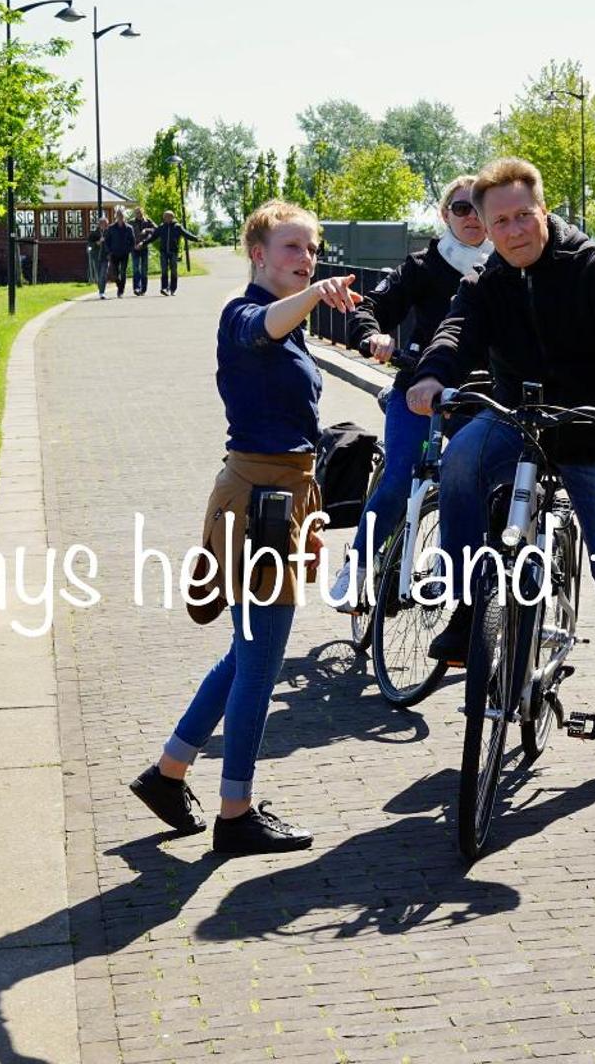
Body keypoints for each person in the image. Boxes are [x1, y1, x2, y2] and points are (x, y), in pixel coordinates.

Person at [405, 157, 595, 786]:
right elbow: (456, 332)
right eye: (498, 220)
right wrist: (430, 374)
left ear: (543, 209)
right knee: (460, 460)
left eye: (522, 215)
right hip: (520, 420)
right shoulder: (486, 281)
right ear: (484, 224)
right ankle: (469, 608)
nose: (512, 229)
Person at [129, 201, 361, 854]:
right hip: (259, 501)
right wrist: (314, 293)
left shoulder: (295, 328)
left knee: (247, 652)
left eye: (311, 249)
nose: (305, 258)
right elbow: (262, 326)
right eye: (292, 248)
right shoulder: (243, 315)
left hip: (279, 497)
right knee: (259, 661)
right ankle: (236, 813)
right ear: (257, 254)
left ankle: (170, 772)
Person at [328, 176, 493, 612]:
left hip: (481, 396)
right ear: (444, 215)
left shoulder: (506, 266)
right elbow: (371, 308)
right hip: (418, 389)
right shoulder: (423, 265)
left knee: (477, 484)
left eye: (479, 207)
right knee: (402, 477)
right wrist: (373, 336)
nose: (472, 217)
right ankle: (357, 567)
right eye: (461, 208)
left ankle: (454, 573)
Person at [151, 211, 204, 296]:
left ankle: (172, 289)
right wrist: (143, 243)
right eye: (165, 217)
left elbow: (187, 234)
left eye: (168, 217)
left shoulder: (177, 227)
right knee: (164, 270)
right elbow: (153, 237)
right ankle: (164, 288)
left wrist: (196, 239)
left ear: (172, 217)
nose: (166, 219)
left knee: (174, 271)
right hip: (164, 252)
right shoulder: (161, 227)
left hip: (173, 252)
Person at [104, 209, 137, 298]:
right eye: (118, 216)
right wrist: (109, 251)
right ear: (116, 217)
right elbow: (107, 241)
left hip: (124, 253)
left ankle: (120, 291)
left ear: (124, 217)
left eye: (121, 216)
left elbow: (133, 240)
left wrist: (130, 250)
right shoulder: (111, 228)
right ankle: (119, 285)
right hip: (114, 253)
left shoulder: (129, 228)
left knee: (123, 272)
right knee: (115, 273)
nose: (120, 218)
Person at [132, 211, 157, 295]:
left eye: (140, 213)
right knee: (136, 268)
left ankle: (143, 289)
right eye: (137, 213)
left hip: (144, 247)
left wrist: (146, 230)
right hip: (134, 248)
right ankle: (136, 288)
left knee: (144, 269)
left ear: (143, 213)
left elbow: (156, 229)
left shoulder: (148, 221)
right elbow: (127, 233)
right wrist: (133, 245)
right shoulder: (131, 222)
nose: (138, 214)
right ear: (135, 214)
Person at [86, 211, 108, 295]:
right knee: (99, 275)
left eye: (106, 224)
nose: (105, 226)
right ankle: (101, 290)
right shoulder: (94, 234)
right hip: (96, 256)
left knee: (104, 274)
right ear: (99, 224)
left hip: (106, 256)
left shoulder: (109, 233)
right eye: (103, 224)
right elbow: (89, 243)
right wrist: (97, 243)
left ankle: (102, 291)